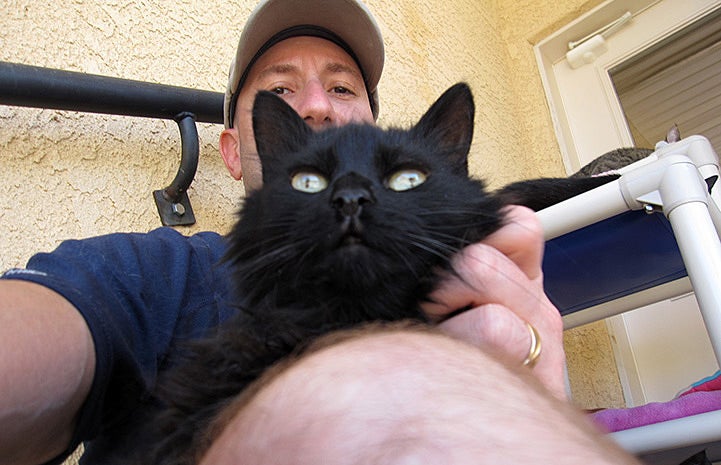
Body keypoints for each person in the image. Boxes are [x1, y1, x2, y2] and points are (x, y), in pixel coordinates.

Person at [0, 0, 639, 464]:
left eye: (341, 86)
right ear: (233, 152)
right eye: (280, 92)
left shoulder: (470, 281)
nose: (315, 104)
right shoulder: (153, 274)